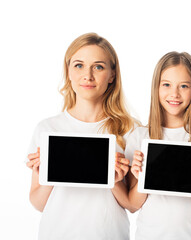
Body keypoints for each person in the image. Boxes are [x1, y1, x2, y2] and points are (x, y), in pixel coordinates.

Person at [26, 33, 137, 240]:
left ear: (112, 75)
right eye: (79, 65)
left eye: (98, 67)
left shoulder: (129, 130)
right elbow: (38, 204)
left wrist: (114, 180)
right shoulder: (48, 129)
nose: (88, 75)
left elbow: (132, 205)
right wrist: (47, 172)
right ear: (68, 71)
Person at [125, 51, 191, 240]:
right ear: (156, 87)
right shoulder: (140, 137)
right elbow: (133, 204)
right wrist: (141, 179)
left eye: (184, 86)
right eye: (166, 85)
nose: (175, 94)